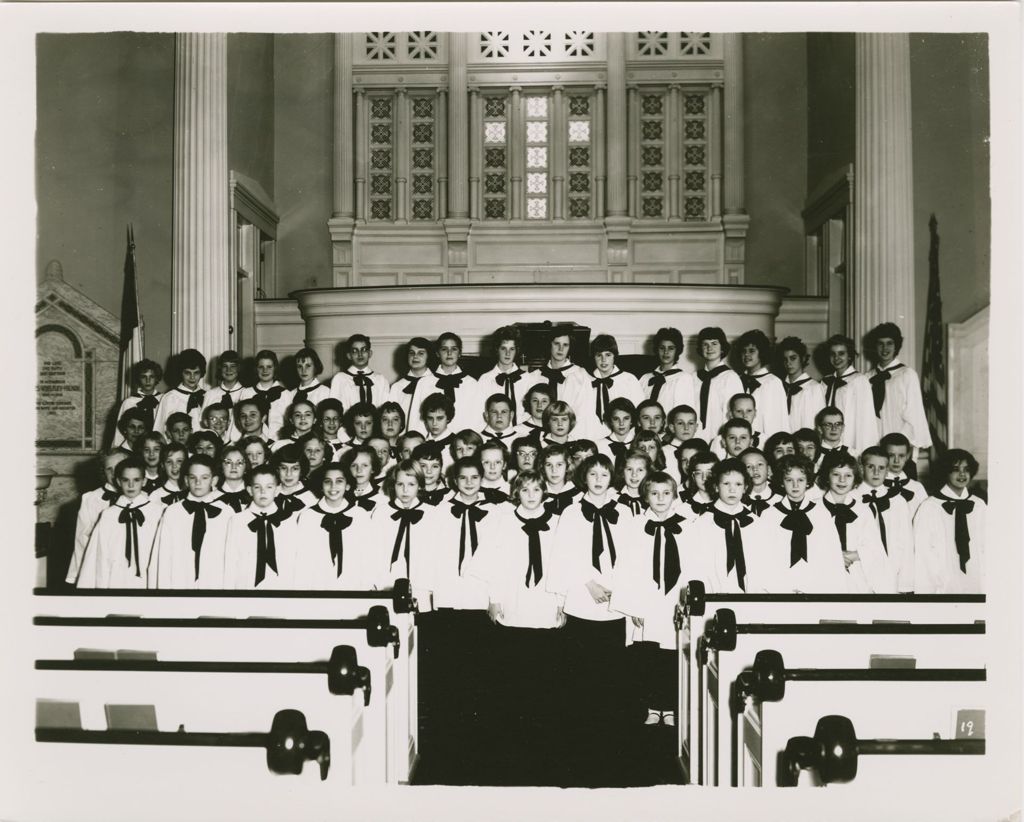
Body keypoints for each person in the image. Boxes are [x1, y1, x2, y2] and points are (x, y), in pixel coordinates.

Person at [547, 454, 631, 743]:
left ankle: (607, 726)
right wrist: (588, 583)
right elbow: (563, 554)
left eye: (604, 475)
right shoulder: (570, 513)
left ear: (611, 478)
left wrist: (617, 589)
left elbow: (632, 557)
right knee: (580, 665)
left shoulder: (625, 512)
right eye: (593, 475)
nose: (598, 480)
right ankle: (579, 726)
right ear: (585, 477)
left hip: (614, 599)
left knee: (611, 666)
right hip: (582, 597)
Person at [610, 472, 691, 726]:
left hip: (675, 599)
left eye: (666, 493)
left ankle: (671, 707)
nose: (660, 498)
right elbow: (625, 567)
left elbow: (694, 565)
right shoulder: (635, 526)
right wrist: (631, 604)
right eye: (654, 493)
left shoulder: (688, 525)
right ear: (646, 496)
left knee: (673, 655)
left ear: (674, 495)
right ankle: (653, 706)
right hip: (646, 600)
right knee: (649, 656)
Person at [759, 454, 847, 593]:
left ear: (808, 482)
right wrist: (780, 588)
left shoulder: (821, 514)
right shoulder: (769, 515)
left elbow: (832, 557)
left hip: (816, 588)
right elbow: (765, 558)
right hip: (780, 588)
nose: (795, 485)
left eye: (800, 480)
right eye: (789, 480)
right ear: (782, 482)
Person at [686, 458, 774, 593]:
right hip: (713, 597)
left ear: (745, 488)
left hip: (752, 598)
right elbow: (697, 567)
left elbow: (765, 565)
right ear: (716, 486)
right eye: (726, 483)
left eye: (738, 484)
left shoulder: (756, 524)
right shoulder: (701, 525)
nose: (732, 489)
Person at [76, 457, 165, 588]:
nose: (131, 485)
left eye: (136, 480)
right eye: (125, 480)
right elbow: (97, 554)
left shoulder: (157, 512)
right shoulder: (108, 515)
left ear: (144, 481)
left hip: (147, 576)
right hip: (116, 577)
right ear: (118, 481)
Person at [816, 450, 897, 593]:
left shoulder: (863, 511)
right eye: (836, 474)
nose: (842, 480)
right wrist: (833, 557)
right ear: (827, 477)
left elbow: (874, 549)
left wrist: (848, 556)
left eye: (848, 475)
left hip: (857, 578)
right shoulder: (814, 509)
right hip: (822, 575)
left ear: (854, 479)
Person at [150, 454, 231, 589]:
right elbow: (162, 558)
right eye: (193, 478)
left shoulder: (226, 513)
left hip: (215, 584)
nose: (198, 482)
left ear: (214, 480)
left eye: (204, 478)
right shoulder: (172, 512)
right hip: (180, 583)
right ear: (186, 480)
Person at [913, 449, 986, 594]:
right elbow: (924, 553)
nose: (962, 474)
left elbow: (987, 545)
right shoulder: (929, 507)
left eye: (966, 469)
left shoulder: (979, 505)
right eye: (955, 469)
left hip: (975, 578)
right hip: (942, 581)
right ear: (945, 471)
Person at [865, 322, 932, 475]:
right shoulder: (867, 378)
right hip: (876, 452)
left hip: (899, 454)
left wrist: (903, 452)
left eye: (889, 343)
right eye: (880, 344)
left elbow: (914, 414)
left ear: (897, 346)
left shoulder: (907, 374)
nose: (884, 348)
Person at [293, 464, 373, 589]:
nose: (333, 486)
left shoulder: (360, 515)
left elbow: (368, 554)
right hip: (318, 586)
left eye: (339, 481)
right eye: (327, 481)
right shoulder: (308, 516)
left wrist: (368, 585)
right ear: (321, 485)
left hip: (354, 585)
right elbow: (303, 557)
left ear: (347, 485)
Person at [223, 463, 300, 590]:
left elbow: (293, 562)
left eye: (269, 487)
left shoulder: (289, 521)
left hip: (280, 588)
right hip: (245, 588)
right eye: (257, 487)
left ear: (277, 490)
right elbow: (230, 562)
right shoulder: (237, 521)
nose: (263, 492)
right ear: (249, 490)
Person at [65, 450, 129, 585]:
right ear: (103, 472)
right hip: (100, 567)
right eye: (109, 469)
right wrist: (77, 575)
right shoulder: (90, 499)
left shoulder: (142, 497)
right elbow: (81, 539)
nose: (114, 473)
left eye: (119, 467)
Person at [858, 446, 915, 593]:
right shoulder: (853, 498)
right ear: (861, 467)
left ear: (887, 470)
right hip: (861, 573)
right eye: (871, 467)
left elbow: (906, 542)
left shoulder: (898, 501)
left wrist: (905, 582)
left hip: (892, 571)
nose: (876, 472)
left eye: (881, 468)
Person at [368, 459, 429, 587]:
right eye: (400, 484)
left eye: (411, 484)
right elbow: (373, 551)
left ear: (420, 485)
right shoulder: (381, 513)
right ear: (393, 485)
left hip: (422, 580)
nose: (405, 490)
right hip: (386, 580)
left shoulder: (432, 514)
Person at [537, 325, 599, 438]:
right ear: (549, 345)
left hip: (571, 437)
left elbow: (583, 415)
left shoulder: (580, 376)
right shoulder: (535, 376)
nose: (561, 349)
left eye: (565, 345)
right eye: (556, 344)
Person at [820, 334, 877, 453]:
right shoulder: (826, 382)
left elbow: (866, 420)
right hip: (828, 441)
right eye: (832, 354)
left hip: (850, 441)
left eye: (841, 353)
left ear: (850, 355)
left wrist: (863, 452)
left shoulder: (859, 380)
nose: (836, 358)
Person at [735, 329, 787, 439]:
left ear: (762, 352)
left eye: (751, 350)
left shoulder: (772, 382)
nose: (746, 354)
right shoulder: (736, 380)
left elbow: (776, 422)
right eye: (744, 351)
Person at [694, 327, 743, 443]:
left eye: (714, 343)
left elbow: (734, 413)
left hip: (720, 437)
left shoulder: (730, 377)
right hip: (696, 435)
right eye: (705, 344)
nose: (709, 348)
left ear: (722, 348)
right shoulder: (693, 377)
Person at [589, 334, 644, 431]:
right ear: (593, 357)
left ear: (615, 356)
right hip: (594, 434)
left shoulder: (629, 380)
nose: (603, 360)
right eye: (599, 355)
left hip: (624, 434)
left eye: (608, 355)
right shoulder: (586, 381)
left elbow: (639, 412)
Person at [640, 327, 697, 414]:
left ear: (677, 350)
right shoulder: (645, 378)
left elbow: (683, 414)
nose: (666, 352)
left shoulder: (684, 378)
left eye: (671, 348)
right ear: (657, 350)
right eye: (662, 348)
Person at [389, 337, 439, 436]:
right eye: (411, 353)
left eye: (421, 353)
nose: (415, 357)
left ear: (429, 356)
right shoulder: (397, 387)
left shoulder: (438, 384)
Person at [432, 332, 480, 431]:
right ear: (437, 353)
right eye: (444, 349)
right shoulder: (424, 383)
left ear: (460, 353)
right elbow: (416, 421)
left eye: (454, 349)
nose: (449, 353)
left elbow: (477, 417)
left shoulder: (471, 383)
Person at [111, 359, 163, 448]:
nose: (148, 381)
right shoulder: (129, 402)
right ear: (138, 379)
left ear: (157, 378)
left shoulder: (164, 400)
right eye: (143, 377)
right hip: (135, 448)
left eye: (152, 377)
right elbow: (120, 432)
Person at [153, 348, 207, 434]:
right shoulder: (169, 398)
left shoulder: (207, 396)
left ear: (202, 373)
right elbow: (159, 431)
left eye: (196, 373)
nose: (192, 377)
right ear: (180, 373)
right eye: (187, 373)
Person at [777, 336, 825, 432]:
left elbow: (820, 423)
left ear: (802, 359)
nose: (788, 363)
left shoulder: (815, 388)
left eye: (793, 358)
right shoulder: (778, 387)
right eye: (785, 359)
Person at [330, 334, 390, 409]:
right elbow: (335, 409)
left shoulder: (381, 380)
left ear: (370, 353)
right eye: (355, 351)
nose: (360, 354)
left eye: (364, 350)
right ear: (349, 355)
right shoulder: (339, 379)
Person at [240, 350, 287, 436]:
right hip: (252, 441)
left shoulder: (286, 394)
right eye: (261, 367)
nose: (265, 370)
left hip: (279, 442)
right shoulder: (246, 392)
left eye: (269, 367)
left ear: (275, 368)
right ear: (256, 369)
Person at [881, 432, 928, 517]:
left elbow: (925, 518)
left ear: (908, 456)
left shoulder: (917, 488)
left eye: (901, 456)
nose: (896, 461)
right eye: (891, 455)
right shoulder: (876, 487)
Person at [202, 350, 245, 440]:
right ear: (220, 369)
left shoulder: (246, 393)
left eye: (233, 366)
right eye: (225, 366)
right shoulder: (210, 394)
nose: (228, 370)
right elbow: (203, 424)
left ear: (239, 368)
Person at [274, 444, 318, 514]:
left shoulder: (311, 498)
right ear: (277, 470)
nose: (288, 474)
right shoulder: (270, 492)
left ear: (301, 470)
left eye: (295, 469)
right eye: (284, 468)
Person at [661, 405, 700, 482]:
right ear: (672, 427)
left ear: (696, 427)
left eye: (691, 423)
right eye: (680, 423)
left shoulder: (701, 450)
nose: (686, 427)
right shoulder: (662, 452)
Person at [341, 444, 383, 513]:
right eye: (354, 465)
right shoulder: (341, 493)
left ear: (373, 468)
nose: (359, 470)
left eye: (365, 465)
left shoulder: (382, 496)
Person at [420, 392, 457, 470]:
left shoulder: (456, 443)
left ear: (448, 418)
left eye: (439, 418)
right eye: (430, 418)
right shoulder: (421, 442)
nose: (434, 423)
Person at [740, 447, 781, 515]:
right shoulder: (738, 499)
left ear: (769, 470)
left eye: (760, 464)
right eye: (748, 466)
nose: (755, 469)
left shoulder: (781, 497)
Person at [541, 443, 580, 515]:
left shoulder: (579, 496)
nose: (554, 470)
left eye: (559, 464)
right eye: (549, 465)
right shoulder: (536, 495)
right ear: (543, 468)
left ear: (567, 466)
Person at [814, 406, 858, 470]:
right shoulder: (814, 455)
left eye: (838, 424)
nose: (834, 428)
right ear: (820, 429)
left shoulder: (854, 454)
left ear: (843, 428)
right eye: (828, 424)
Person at [216, 444, 251, 512]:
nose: (234, 466)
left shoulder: (254, 496)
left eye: (239, 462)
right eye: (228, 462)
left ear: (246, 467)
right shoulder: (211, 498)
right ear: (221, 467)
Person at [601, 397, 637, 464]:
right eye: (616, 419)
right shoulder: (599, 445)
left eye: (626, 418)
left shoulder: (639, 444)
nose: (621, 423)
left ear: (632, 420)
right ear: (610, 421)